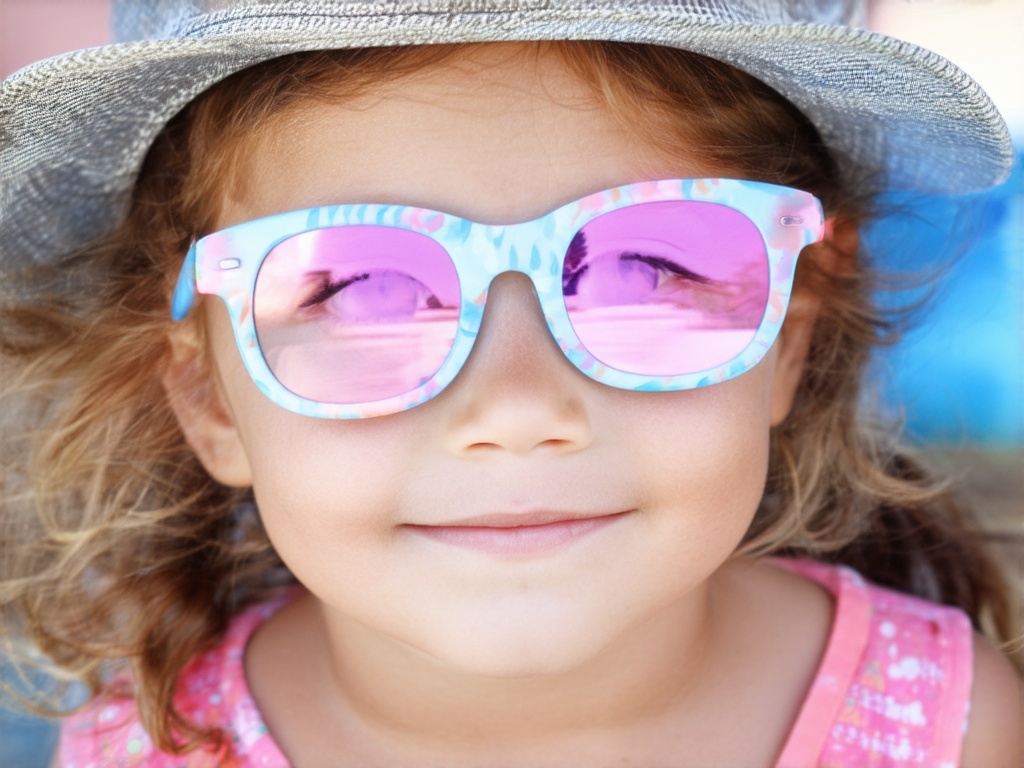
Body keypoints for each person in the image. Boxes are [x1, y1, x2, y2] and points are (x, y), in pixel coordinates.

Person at [1, 1, 1021, 766]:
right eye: (360, 286)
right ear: (211, 399)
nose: (518, 411)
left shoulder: (952, 725)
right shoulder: (140, 749)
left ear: (786, 342)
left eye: (646, 268)